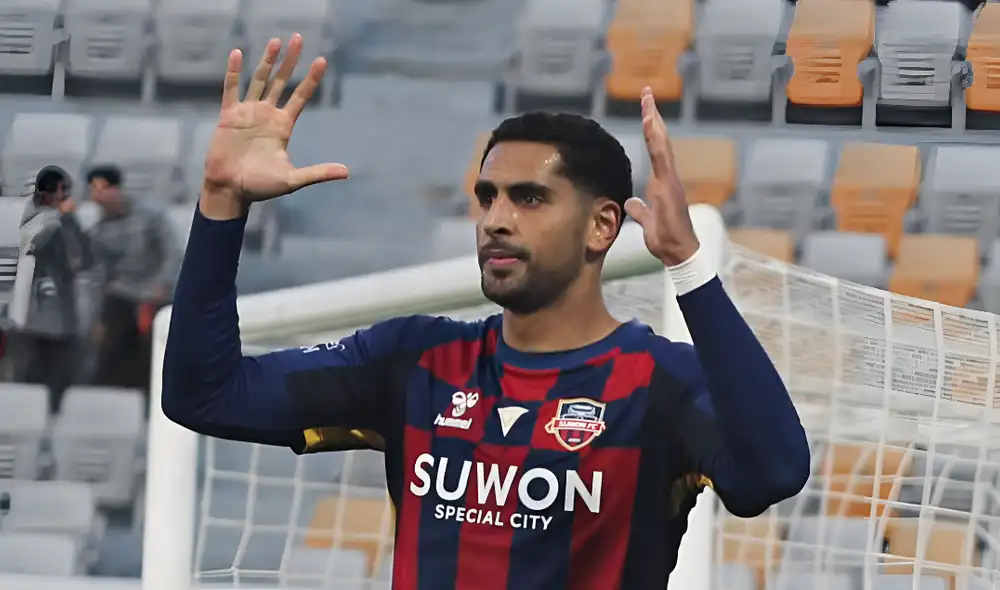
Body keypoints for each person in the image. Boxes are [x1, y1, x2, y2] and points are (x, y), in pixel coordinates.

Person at [161, 36, 811, 590]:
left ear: (602, 225)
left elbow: (772, 475)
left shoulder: (661, 383)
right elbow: (205, 397)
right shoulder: (414, 361)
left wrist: (689, 268)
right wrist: (221, 201)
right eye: (487, 196)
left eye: (529, 198)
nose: (495, 219)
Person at [87, 165, 181, 394]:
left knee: (154, 342)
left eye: (104, 188)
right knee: (112, 340)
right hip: (122, 293)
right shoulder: (97, 233)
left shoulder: (150, 218)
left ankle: (154, 395)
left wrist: (162, 284)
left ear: (116, 189)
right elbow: (99, 276)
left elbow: (172, 254)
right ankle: (113, 397)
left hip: (157, 291)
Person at [7, 165, 92, 411]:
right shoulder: (39, 220)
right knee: (26, 384)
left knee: (56, 386)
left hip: (59, 319)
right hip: (31, 317)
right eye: (61, 191)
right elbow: (32, 244)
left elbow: (82, 260)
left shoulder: (65, 223)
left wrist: (68, 220)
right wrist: (62, 218)